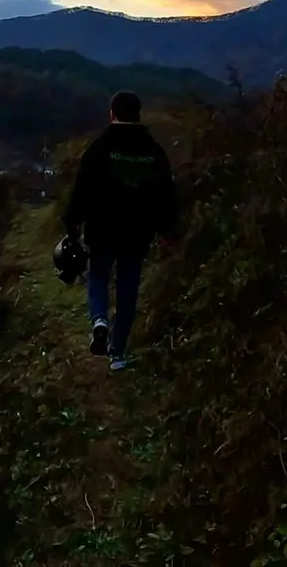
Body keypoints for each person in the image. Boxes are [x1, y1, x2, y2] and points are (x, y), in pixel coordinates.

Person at [60, 91, 177, 371]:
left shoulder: (100, 147)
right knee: (128, 290)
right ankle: (118, 353)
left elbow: (82, 190)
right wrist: (167, 229)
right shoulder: (153, 151)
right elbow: (166, 194)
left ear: (112, 114)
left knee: (98, 277)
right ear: (138, 114)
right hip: (137, 233)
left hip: (102, 230)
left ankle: (99, 320)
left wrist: (72, 224)